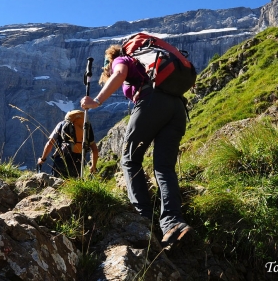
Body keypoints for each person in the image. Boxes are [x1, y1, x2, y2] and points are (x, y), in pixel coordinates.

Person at [80, 44, 194, 251]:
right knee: (164, 168)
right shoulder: (146, 65)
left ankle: (143, 220)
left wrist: (97, 100)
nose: (106, 70)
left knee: (130, 160)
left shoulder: (122, 60)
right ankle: (173, 224)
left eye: (106, 66)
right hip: (177, 107)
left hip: (152, 102)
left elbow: (120, 73)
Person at [37, 110, 98, 178]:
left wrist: (42, 159)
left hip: (61, 161)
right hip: (78, 164)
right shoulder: (86, 127)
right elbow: (94, 149)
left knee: (57, 185)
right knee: (73, 185)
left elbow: (50, 143)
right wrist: (93, 166)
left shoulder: (62, 124)